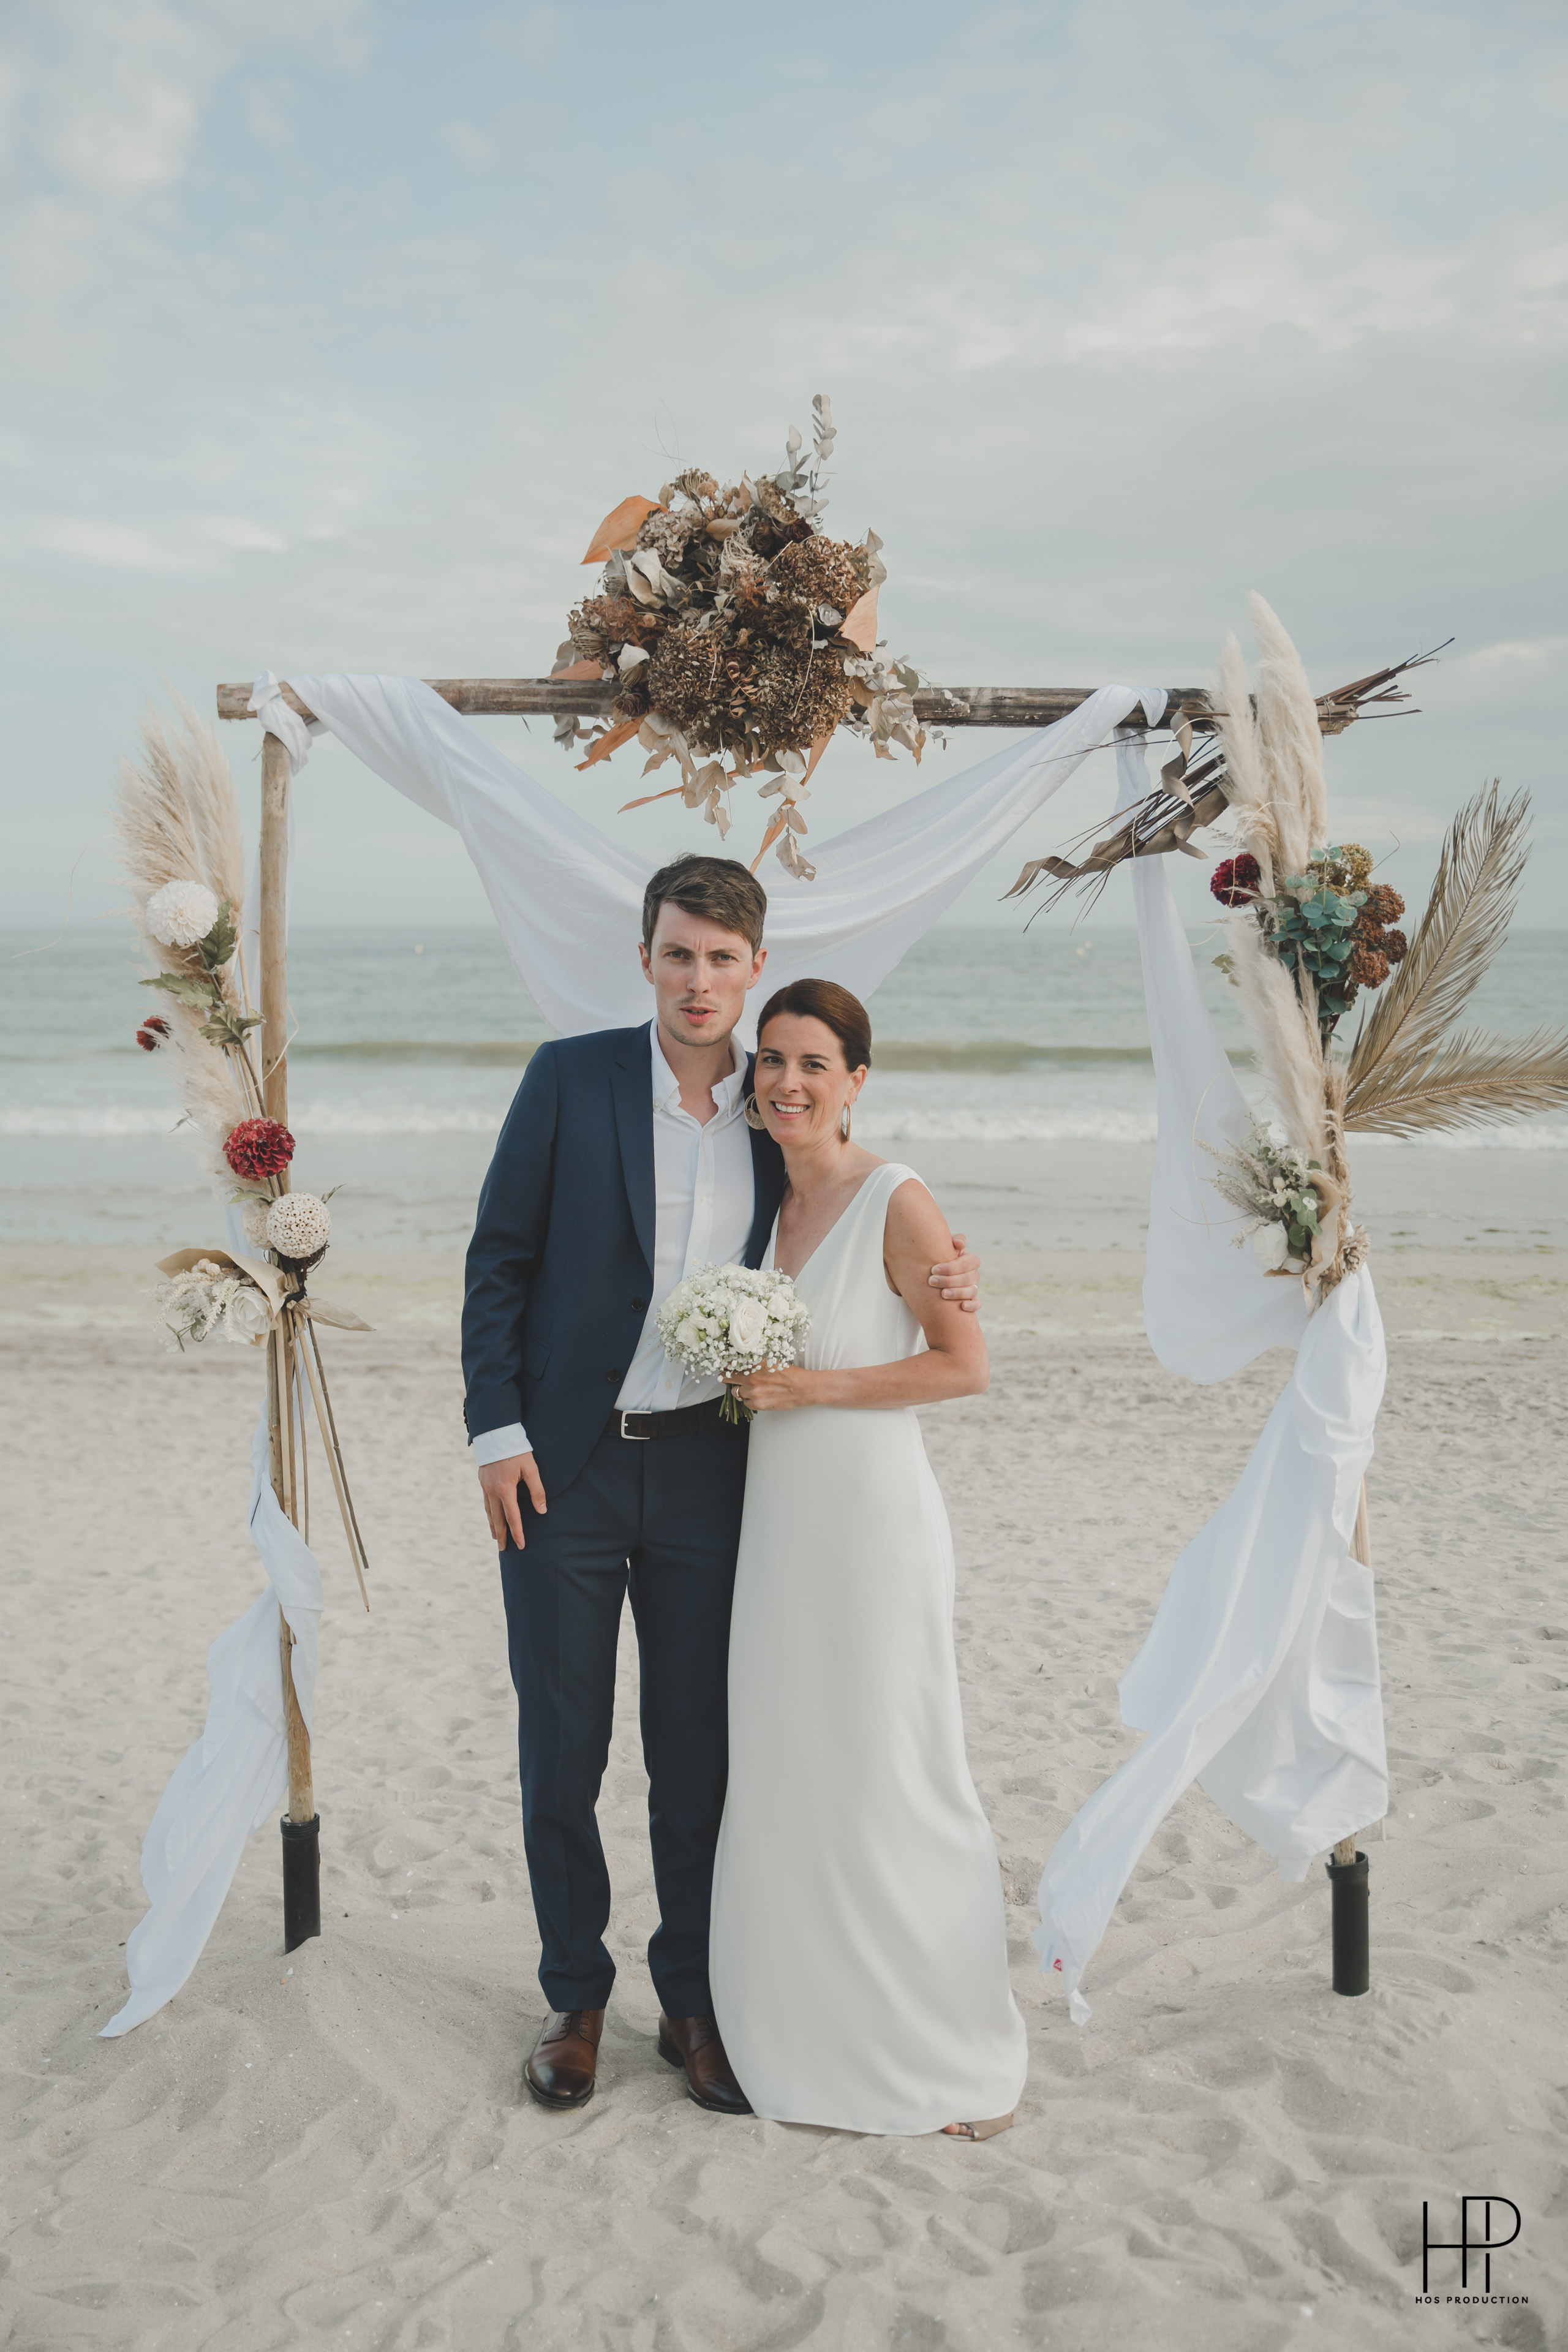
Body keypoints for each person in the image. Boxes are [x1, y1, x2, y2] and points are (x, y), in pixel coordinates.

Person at [463, 856, 982, 2114]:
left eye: (721, 959)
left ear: (754, 970)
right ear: (645, 958)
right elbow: (497, 1264)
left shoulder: (776, 1108)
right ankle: (575, 1996)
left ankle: (691, 2001)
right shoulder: (569, 1078)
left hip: (716, 1472)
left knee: (698, 1754)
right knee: (561, 1749)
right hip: (565, 1472)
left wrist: (952, 1273)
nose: (698, 980)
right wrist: (496, 1434)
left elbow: (854, 1208)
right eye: (678, 953)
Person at [710, 978, 1028, 2139]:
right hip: (777, 1528)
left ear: (855, 1082)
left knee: (895, 1765)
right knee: (797, 1764)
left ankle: (938, 2040)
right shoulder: (758, 1199)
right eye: (772, 1061)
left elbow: (965, 1365)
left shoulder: (895, 1196)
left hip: (869, 1526)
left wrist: (812, 1388)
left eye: (813, 1064)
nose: (787, 1083)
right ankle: (805, 2025)